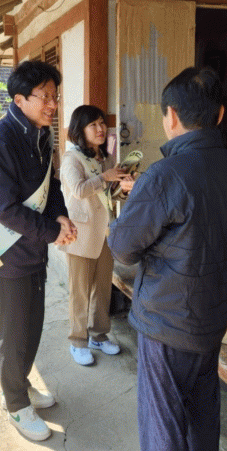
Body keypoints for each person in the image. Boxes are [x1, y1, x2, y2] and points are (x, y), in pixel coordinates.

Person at [107, 67, 227, 451]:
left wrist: (132, 208)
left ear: (170, 116)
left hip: (167, 323)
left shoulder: (164, 174)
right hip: (212, 317)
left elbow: (123, 248)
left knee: (164, 429)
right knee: (202, 417)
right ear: (219, 114)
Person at [0, 60, 77, 441]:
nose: (53, 104)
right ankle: (16, 403)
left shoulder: (41, 136)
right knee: (14, 332)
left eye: (55, 96)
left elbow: (51, 187)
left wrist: (60, 217)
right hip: (7, 256)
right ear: (19, 100)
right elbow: (5, 209)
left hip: (33, 250)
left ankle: (21, 383)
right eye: (45, 97)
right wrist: (52, 232)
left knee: (32, 327)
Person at [59, 105, 128, 365]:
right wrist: (105, 177)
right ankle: (77, 341)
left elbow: (109, 195)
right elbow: (78, 190)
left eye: (102, 123)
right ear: (80, 130)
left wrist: (123, 186)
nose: (101, 129)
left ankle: (99, 335)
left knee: (102, 288)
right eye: (93, 125)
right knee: (80, 292)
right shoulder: (72, 158)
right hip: (79, 233)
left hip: (105, 231)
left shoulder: (105, 157)